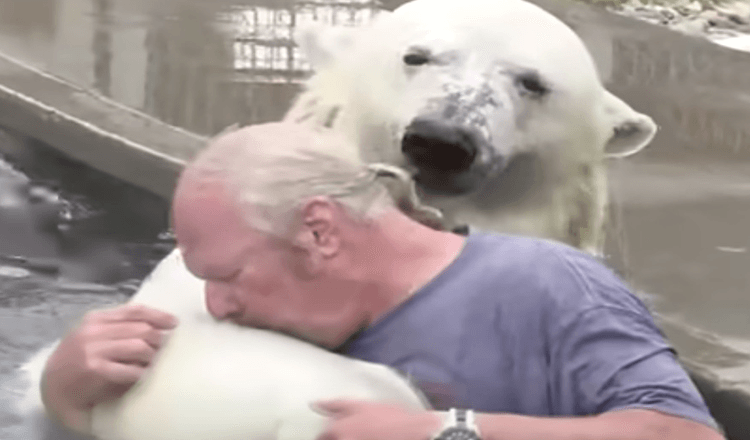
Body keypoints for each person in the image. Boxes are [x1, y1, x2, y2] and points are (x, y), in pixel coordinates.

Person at [40, 122, 724, 440]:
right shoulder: (228, 322)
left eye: (231, 276)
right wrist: (67, 397)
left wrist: (448, 434)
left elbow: (683, 437)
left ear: (319, 231)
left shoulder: (545, 289)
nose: (217, 305)